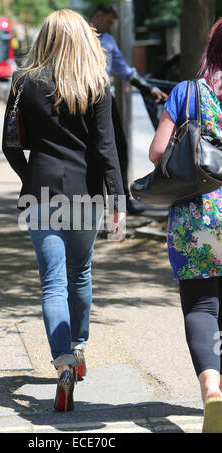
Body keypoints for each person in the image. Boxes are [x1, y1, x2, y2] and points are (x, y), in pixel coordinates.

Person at [2, 9, 124, 412]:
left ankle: (63, 365)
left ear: (46, 38)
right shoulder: (96, 84)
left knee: (52, 282)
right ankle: (80, 347)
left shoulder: (23, 82)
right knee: (81, 273)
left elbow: (10, 144)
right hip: (86, 193)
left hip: (41, 193)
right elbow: (107, 150)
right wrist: (117, 199)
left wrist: (27, 176)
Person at [149, 18, 222, 433]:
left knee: (201, 306)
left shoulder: (187, 93)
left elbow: (158, 151)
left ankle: (211, 387)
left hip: (201, 218)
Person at [90, 5, 167, 214]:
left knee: (118, 150)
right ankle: (91, 204)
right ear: (98, 16)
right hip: (80, 100)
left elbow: (124, 70)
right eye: (108, 22)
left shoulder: (108, 41)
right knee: (88, 153)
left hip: (104, 99)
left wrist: (149, 89)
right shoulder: (79, 37)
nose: (109, 27)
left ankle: (122, 203)